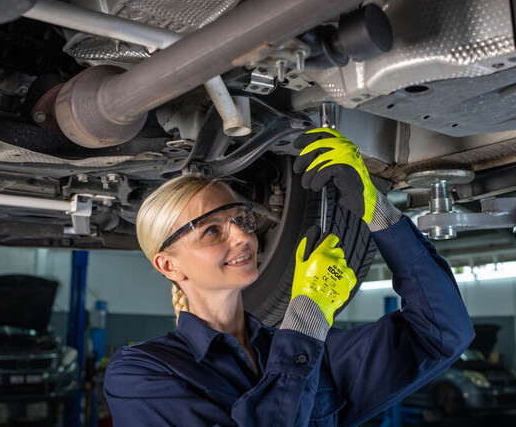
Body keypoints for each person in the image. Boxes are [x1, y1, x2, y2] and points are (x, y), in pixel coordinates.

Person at [104, 128, 475, 426]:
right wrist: (306, 316)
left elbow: (442, 334)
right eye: (212, 231)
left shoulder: (312, 351)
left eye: (241, 219)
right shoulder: (142, 373)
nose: (243, 236)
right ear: (169, 266)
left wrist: (376, 209)